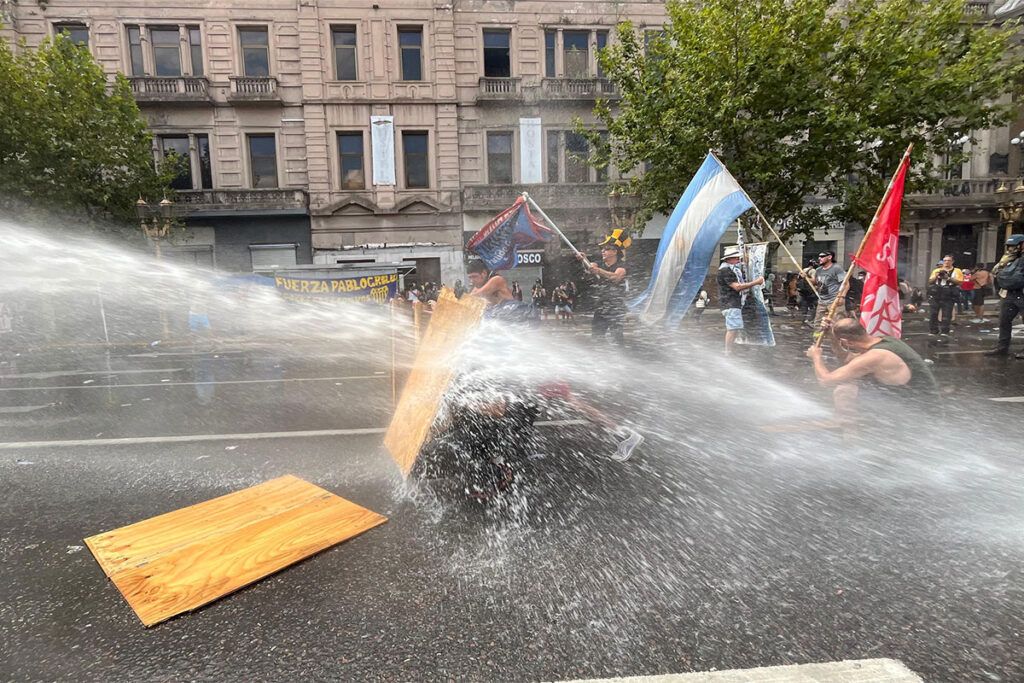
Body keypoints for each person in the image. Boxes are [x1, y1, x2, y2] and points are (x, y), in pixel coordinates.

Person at [805, 318, 939, 426]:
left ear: (845, 341)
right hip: (916, 404)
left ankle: (851, 441)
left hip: (921, 417)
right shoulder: (883, 341)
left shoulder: (875, 356)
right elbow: (848, 359)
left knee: (844, 391)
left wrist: (816, 357)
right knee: (852, 388)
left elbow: (826, 381)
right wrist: (833, 337)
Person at [579, 229, 631, 345]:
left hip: (616, 308)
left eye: (606, 249)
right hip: (601, 307)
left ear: (614, 252)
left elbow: (616, 277)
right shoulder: (598, 264)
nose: (603, 251)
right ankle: (600, 358)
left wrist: (600, 271)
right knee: (596, 337)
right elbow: (590, 267)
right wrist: (584, 259)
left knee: (616, 338)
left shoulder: (622, 266)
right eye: (602, 249)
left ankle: (621, 359)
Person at [717, 245, 765, 355]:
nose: (738, 260)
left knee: (735, 327)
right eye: (736, 258)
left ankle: (730, 349)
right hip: (730, 303)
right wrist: (756, 282)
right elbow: (737, 287)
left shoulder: (732, 269)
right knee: (733, 328)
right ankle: (727, 351)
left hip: (732, 302)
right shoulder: (726, 271)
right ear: (729, 259)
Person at [984, 234, 1024, 357]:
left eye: (1014, 246)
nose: (1011, 249)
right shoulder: (1009, 259)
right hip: (1009, 294)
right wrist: (1007, 259)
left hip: (1022, 293)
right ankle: (1002, 348)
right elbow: (995, 271)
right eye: (1009, 246)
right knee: (1004, 321)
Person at [927, 255, 963, 337]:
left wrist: (948, 278)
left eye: (948, 260)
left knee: (947, 314)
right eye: (945, 260)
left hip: (949, 294)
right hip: (936, 293)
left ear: (952, 261)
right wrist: (936, 276)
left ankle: (945, 330)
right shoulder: (937, 270)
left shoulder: (957, 271)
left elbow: (960, 282)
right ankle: (933, 330)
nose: (946, 262)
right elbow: (930, 281)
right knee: (933, 313)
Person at [812, 250, 845, 329]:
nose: (819, 258)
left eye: (822, 256)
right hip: (822, 301)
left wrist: (842, 297)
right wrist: (805, 277)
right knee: (818, 324)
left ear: (830, 257)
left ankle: (838, 340)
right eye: (819, 256)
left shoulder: (837, 268)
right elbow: (816, 283)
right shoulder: (818, 270)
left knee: (837, 324)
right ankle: (817, 340)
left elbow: (845, 284)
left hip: (834, 300)